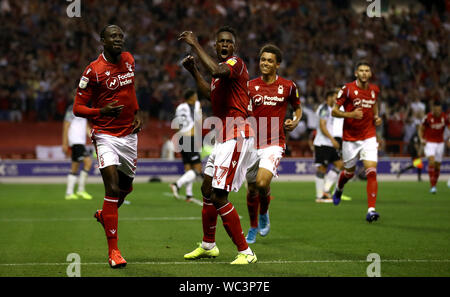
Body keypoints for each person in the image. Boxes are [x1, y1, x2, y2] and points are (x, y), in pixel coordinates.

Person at [178, 26, 258, 264]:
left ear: (234, 47)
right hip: (224, 137)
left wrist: (195, 44)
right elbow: (209, 94)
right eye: (220, 42)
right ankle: (208, 245)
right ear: (216, 45)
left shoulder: (235, 64)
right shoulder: (219, 77)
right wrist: (193, 71)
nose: (224, 45)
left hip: (237, 135)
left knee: (219, 195)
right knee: (206, 189)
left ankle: (246, 252)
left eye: (228, 42)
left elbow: (215, 69)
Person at [73, 24, 144, 268]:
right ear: (102, 40)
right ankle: (114, 252)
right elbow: (77, 108)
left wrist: (137, 112)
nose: (118, 39)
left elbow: (130, 89)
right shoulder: (93, 71)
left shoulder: (129, 60)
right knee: (112, 189)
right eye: (113, 36)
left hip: (129, 135)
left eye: (121, 36)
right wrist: (101, 111)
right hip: (104, 135)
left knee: (125, 188)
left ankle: (105, 215)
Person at [245, 44, 302, 243]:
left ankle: (264, 213)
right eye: (263, 60)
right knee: (251, 189)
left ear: (277, 64)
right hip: (251, 144)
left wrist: (295, 121)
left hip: (274, 142)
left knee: (262, 182)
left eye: (270, 60)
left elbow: (297, 108)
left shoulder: (288, 86)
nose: (265, 63)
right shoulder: (250, 86)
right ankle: (253, 226)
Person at [331, 61, 383, 223]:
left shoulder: (374, 90)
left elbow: (374, 105)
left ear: (370, 73)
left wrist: (376, 116)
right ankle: (339, 189)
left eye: (367, 70)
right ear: (356, 73)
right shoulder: (347, 89)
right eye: (361, 70)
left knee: (371, 171)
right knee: (349, 172)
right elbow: (334, 111)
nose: (364, 73)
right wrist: (350, 115)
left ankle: (371, 210)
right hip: (350, 139)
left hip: (368, 136)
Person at [170, 89, 203, 201]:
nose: (196, 98)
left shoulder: (179, 107)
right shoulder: (196, 106)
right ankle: (177, 184)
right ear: (191, 98)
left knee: (188, 167)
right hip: (190, 138)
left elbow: (176, 124)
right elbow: (199, 122)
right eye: (195, 96)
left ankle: (189, 194)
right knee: (198, 169)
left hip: (180, 137)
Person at [313, 89, 344, 203]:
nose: (337, 99)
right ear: (329, 98)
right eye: (335, 97)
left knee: (340, 165)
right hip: (322, 143)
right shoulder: (324, 109)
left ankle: (325, 190)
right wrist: (333, 140)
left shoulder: (331, 110)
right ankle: (319, 196)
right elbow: (322, 126)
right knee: (322, 168)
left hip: (329, 144)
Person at [62, 97, 93, 200]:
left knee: (75, 166)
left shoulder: (83, 110)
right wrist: (65, 143)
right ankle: (80, 190)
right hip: (75, 141)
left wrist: (93, 137)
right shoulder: (72, 109)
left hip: (80, 142)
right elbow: (66, 125)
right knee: (88, 162)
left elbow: (86, 127)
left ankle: (69, 193)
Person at [418, 101, 449, 194]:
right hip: (430, 143)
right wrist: (421, 139)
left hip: (440, 143)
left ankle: (434, 185)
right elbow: (421, 129)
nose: (438, 112)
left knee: (437, 165)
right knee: (431, 161)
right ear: (433, 110)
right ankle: (432, 186)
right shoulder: (428, 118)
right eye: (436, 110)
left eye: (439, 110)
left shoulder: (444, 117)